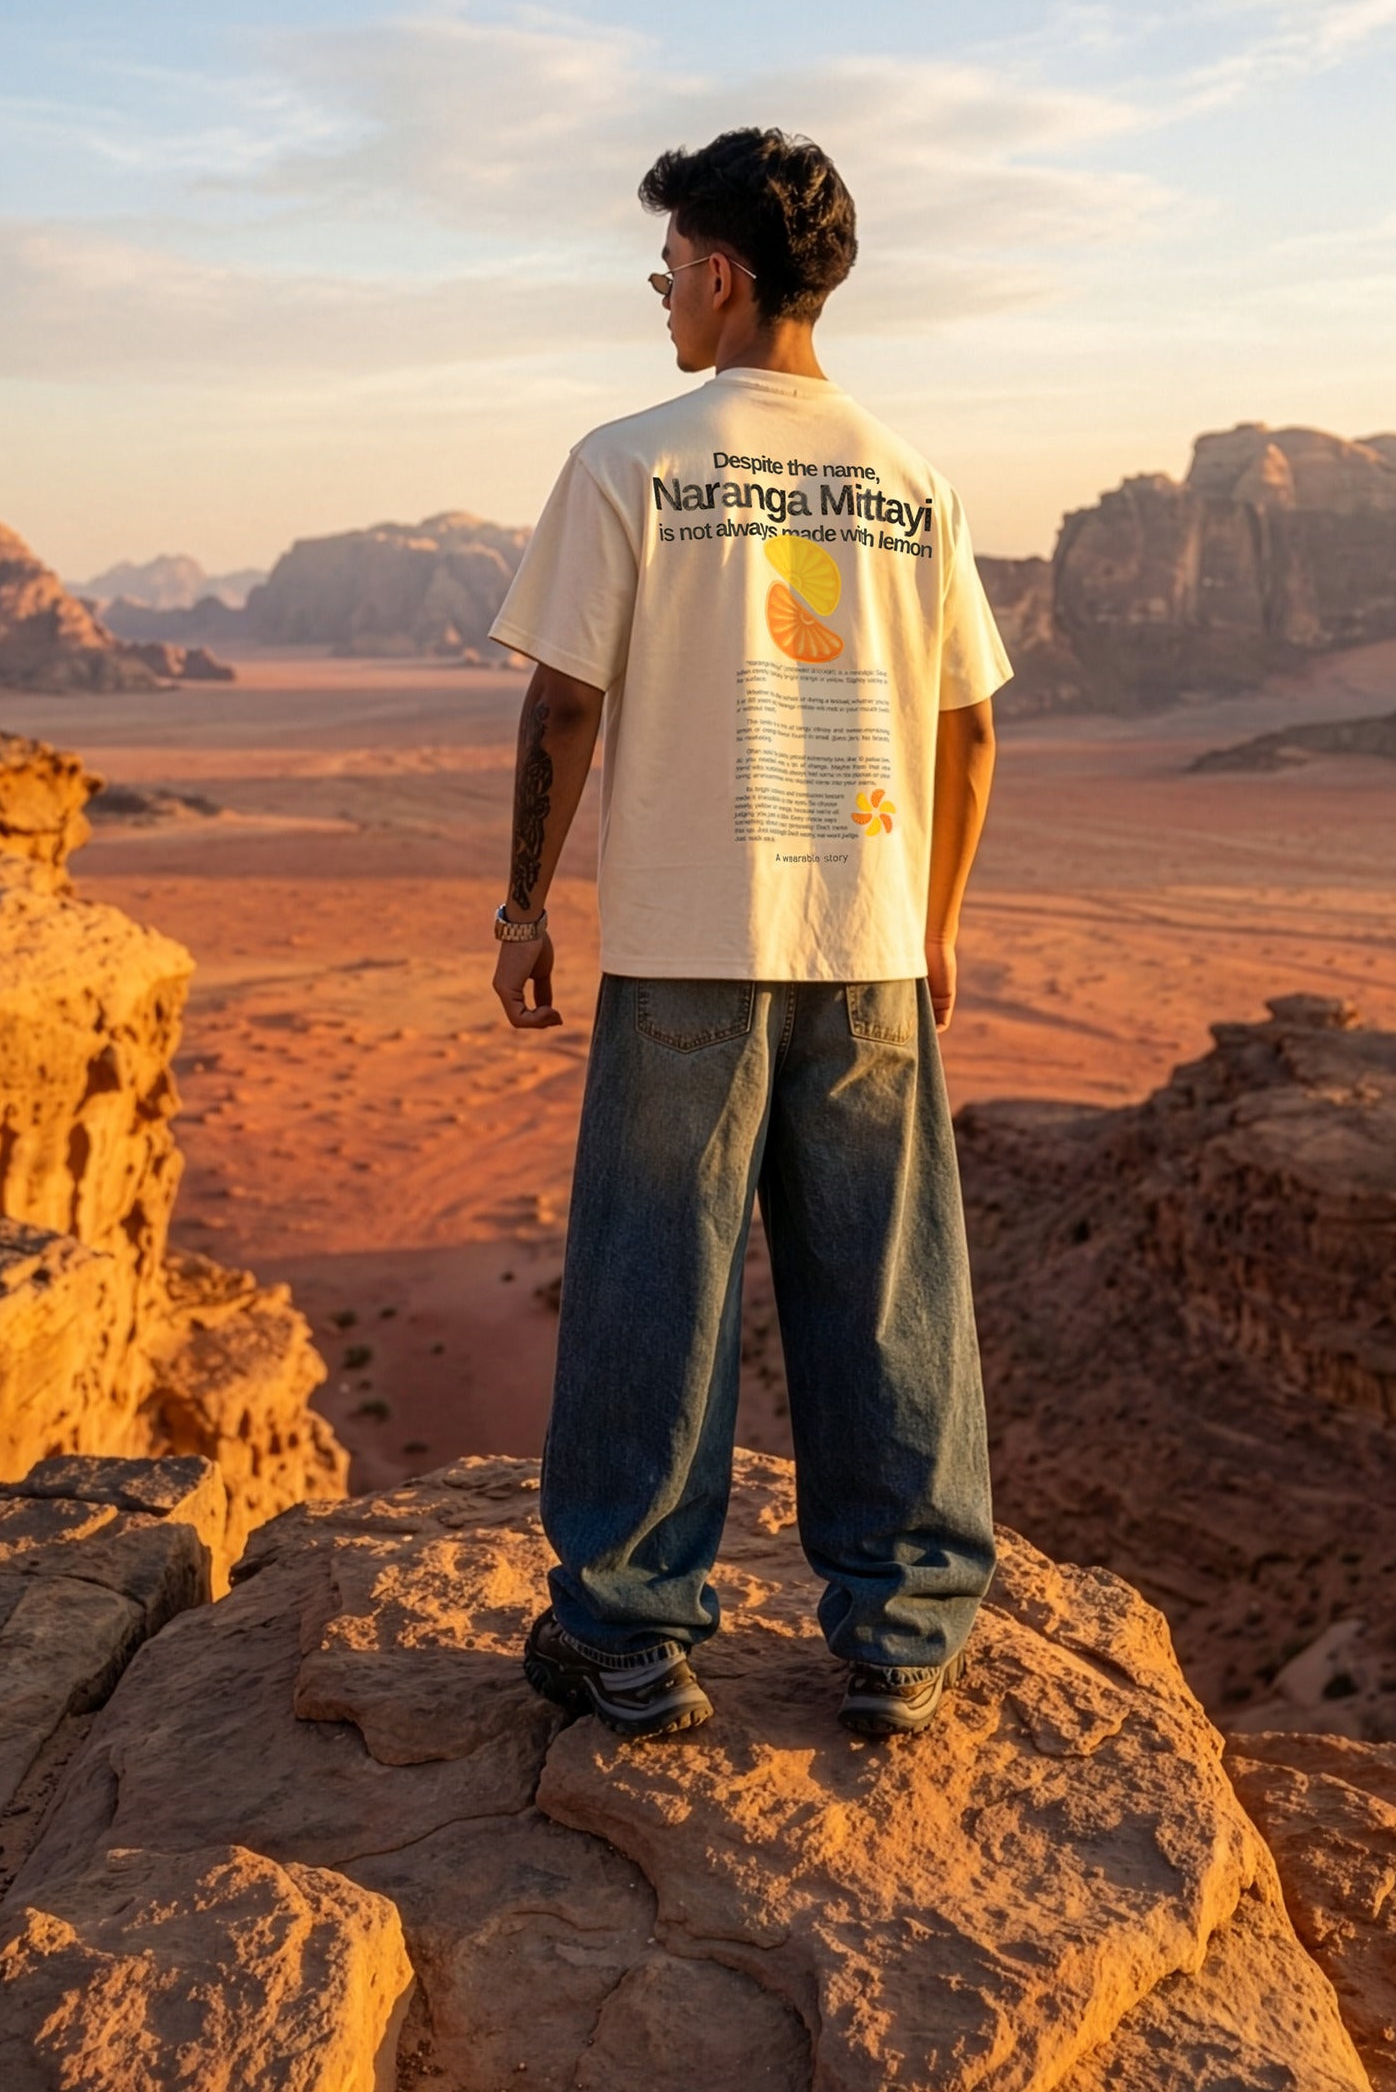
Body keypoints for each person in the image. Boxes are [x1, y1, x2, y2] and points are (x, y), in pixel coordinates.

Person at [487, 126, 1010, 1741]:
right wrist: (929, 925)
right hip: (864, 946)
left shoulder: (629, 458)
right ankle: (901, 1642)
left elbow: (563, 700)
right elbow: (969, 733)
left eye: (664, 274)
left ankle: (631, 1636)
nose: (659, 303)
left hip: (687, 945)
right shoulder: (909, 480)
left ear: (718, 274)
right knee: (885, 1289)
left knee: (661, 1281)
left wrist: (520, 904)